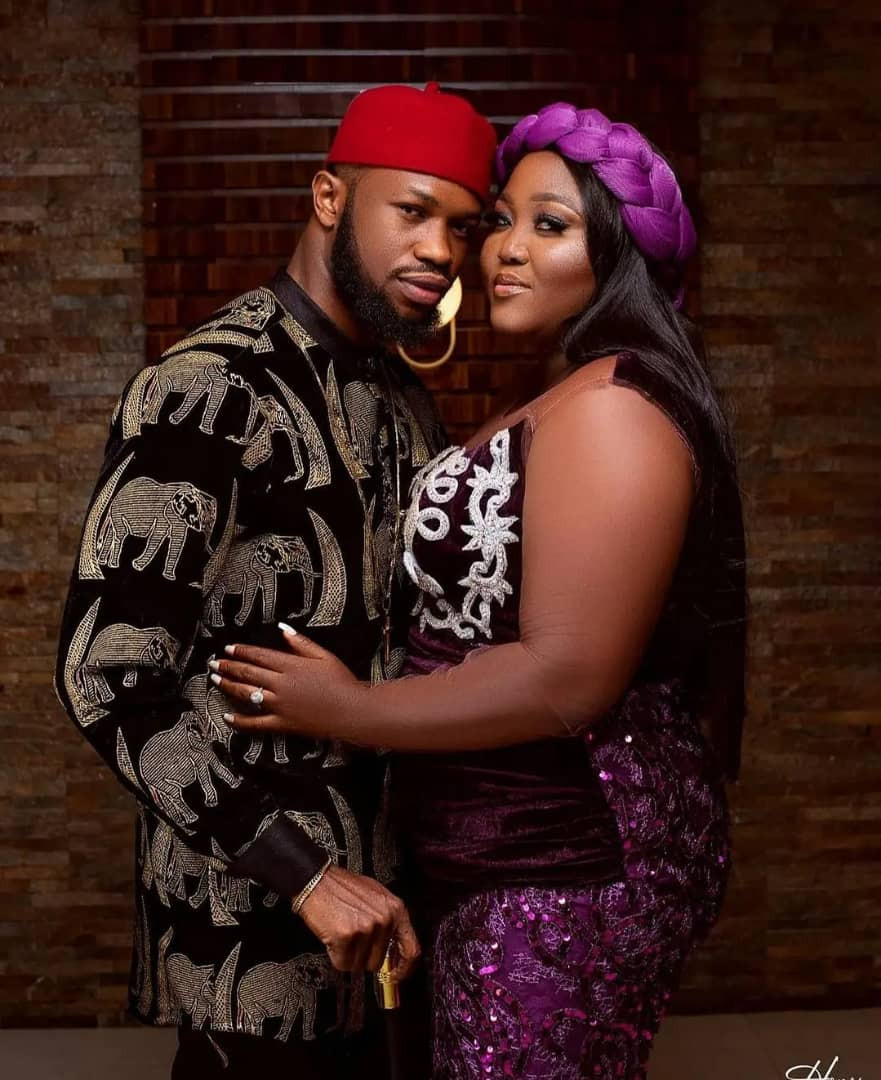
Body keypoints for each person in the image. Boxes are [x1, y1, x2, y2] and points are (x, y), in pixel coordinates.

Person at [212, 103, 748, 1080]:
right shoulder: (564, 394)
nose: (502, 249)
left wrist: (351, 708)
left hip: (564, 859)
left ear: (619, 252)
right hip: (497, 856)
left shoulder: (615, 409)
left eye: (549, 225)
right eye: (499, 221)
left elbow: (568, 676)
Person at [54, 83, 496, 1078]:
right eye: (412, 210)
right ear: (328, 197)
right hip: (245, 938)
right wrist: (304, 876)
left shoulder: (402, 397)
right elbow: (105, 675)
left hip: (388, 923)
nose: (438, 250)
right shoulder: (209, 386)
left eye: (461, 227)